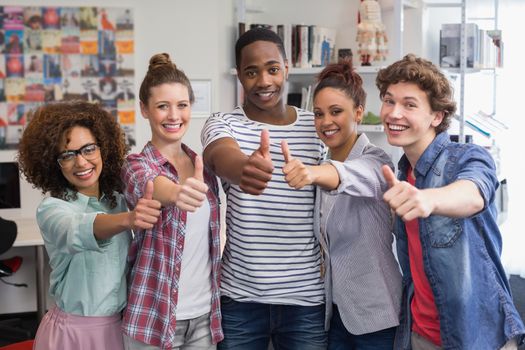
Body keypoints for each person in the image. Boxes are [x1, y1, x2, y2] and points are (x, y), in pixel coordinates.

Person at [376, 54, 525, 350]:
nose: (393, 113)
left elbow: (473, 193)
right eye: (389, 101)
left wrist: (428, 199)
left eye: (409, 104)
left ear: (437, 116)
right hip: (419, 332)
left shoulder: (467, 158)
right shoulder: (401, 173)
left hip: (477, 336)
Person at [201, 28, 327, 349]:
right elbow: (218, 155)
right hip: (241, 297)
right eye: (251, 72)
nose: (264, 81)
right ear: (239, 76)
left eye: (272, 69)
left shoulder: (316, 129)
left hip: (306, 298)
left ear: (286, 67)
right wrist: (244, 169)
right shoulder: (223, 122)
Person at [16, 101, 161, 350]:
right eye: (67, 155)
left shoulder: (117, 199)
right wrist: (128, 219)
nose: (81, 162)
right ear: (54, 162)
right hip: (72, 334)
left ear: (103, 148)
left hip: (121, 328)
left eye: (88, 149)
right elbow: (80, 228)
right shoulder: (52, 209)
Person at [281, 59, 402, 349]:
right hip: (337, 316)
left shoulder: (376, 160)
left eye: (336, 112)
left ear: (358, 113)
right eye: (319, 114)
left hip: (377, 317)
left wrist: (311, 174)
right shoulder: (324, 163)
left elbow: (348, 176)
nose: (326, 122)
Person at [121, 53, 222, 349]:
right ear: (145, 110)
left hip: (204, 317)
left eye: (182, 105)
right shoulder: (134, 165)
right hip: (153, 317)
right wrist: (178, 194)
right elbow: (153, 185)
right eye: (162, 106)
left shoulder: (205, 168)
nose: (174, 116)